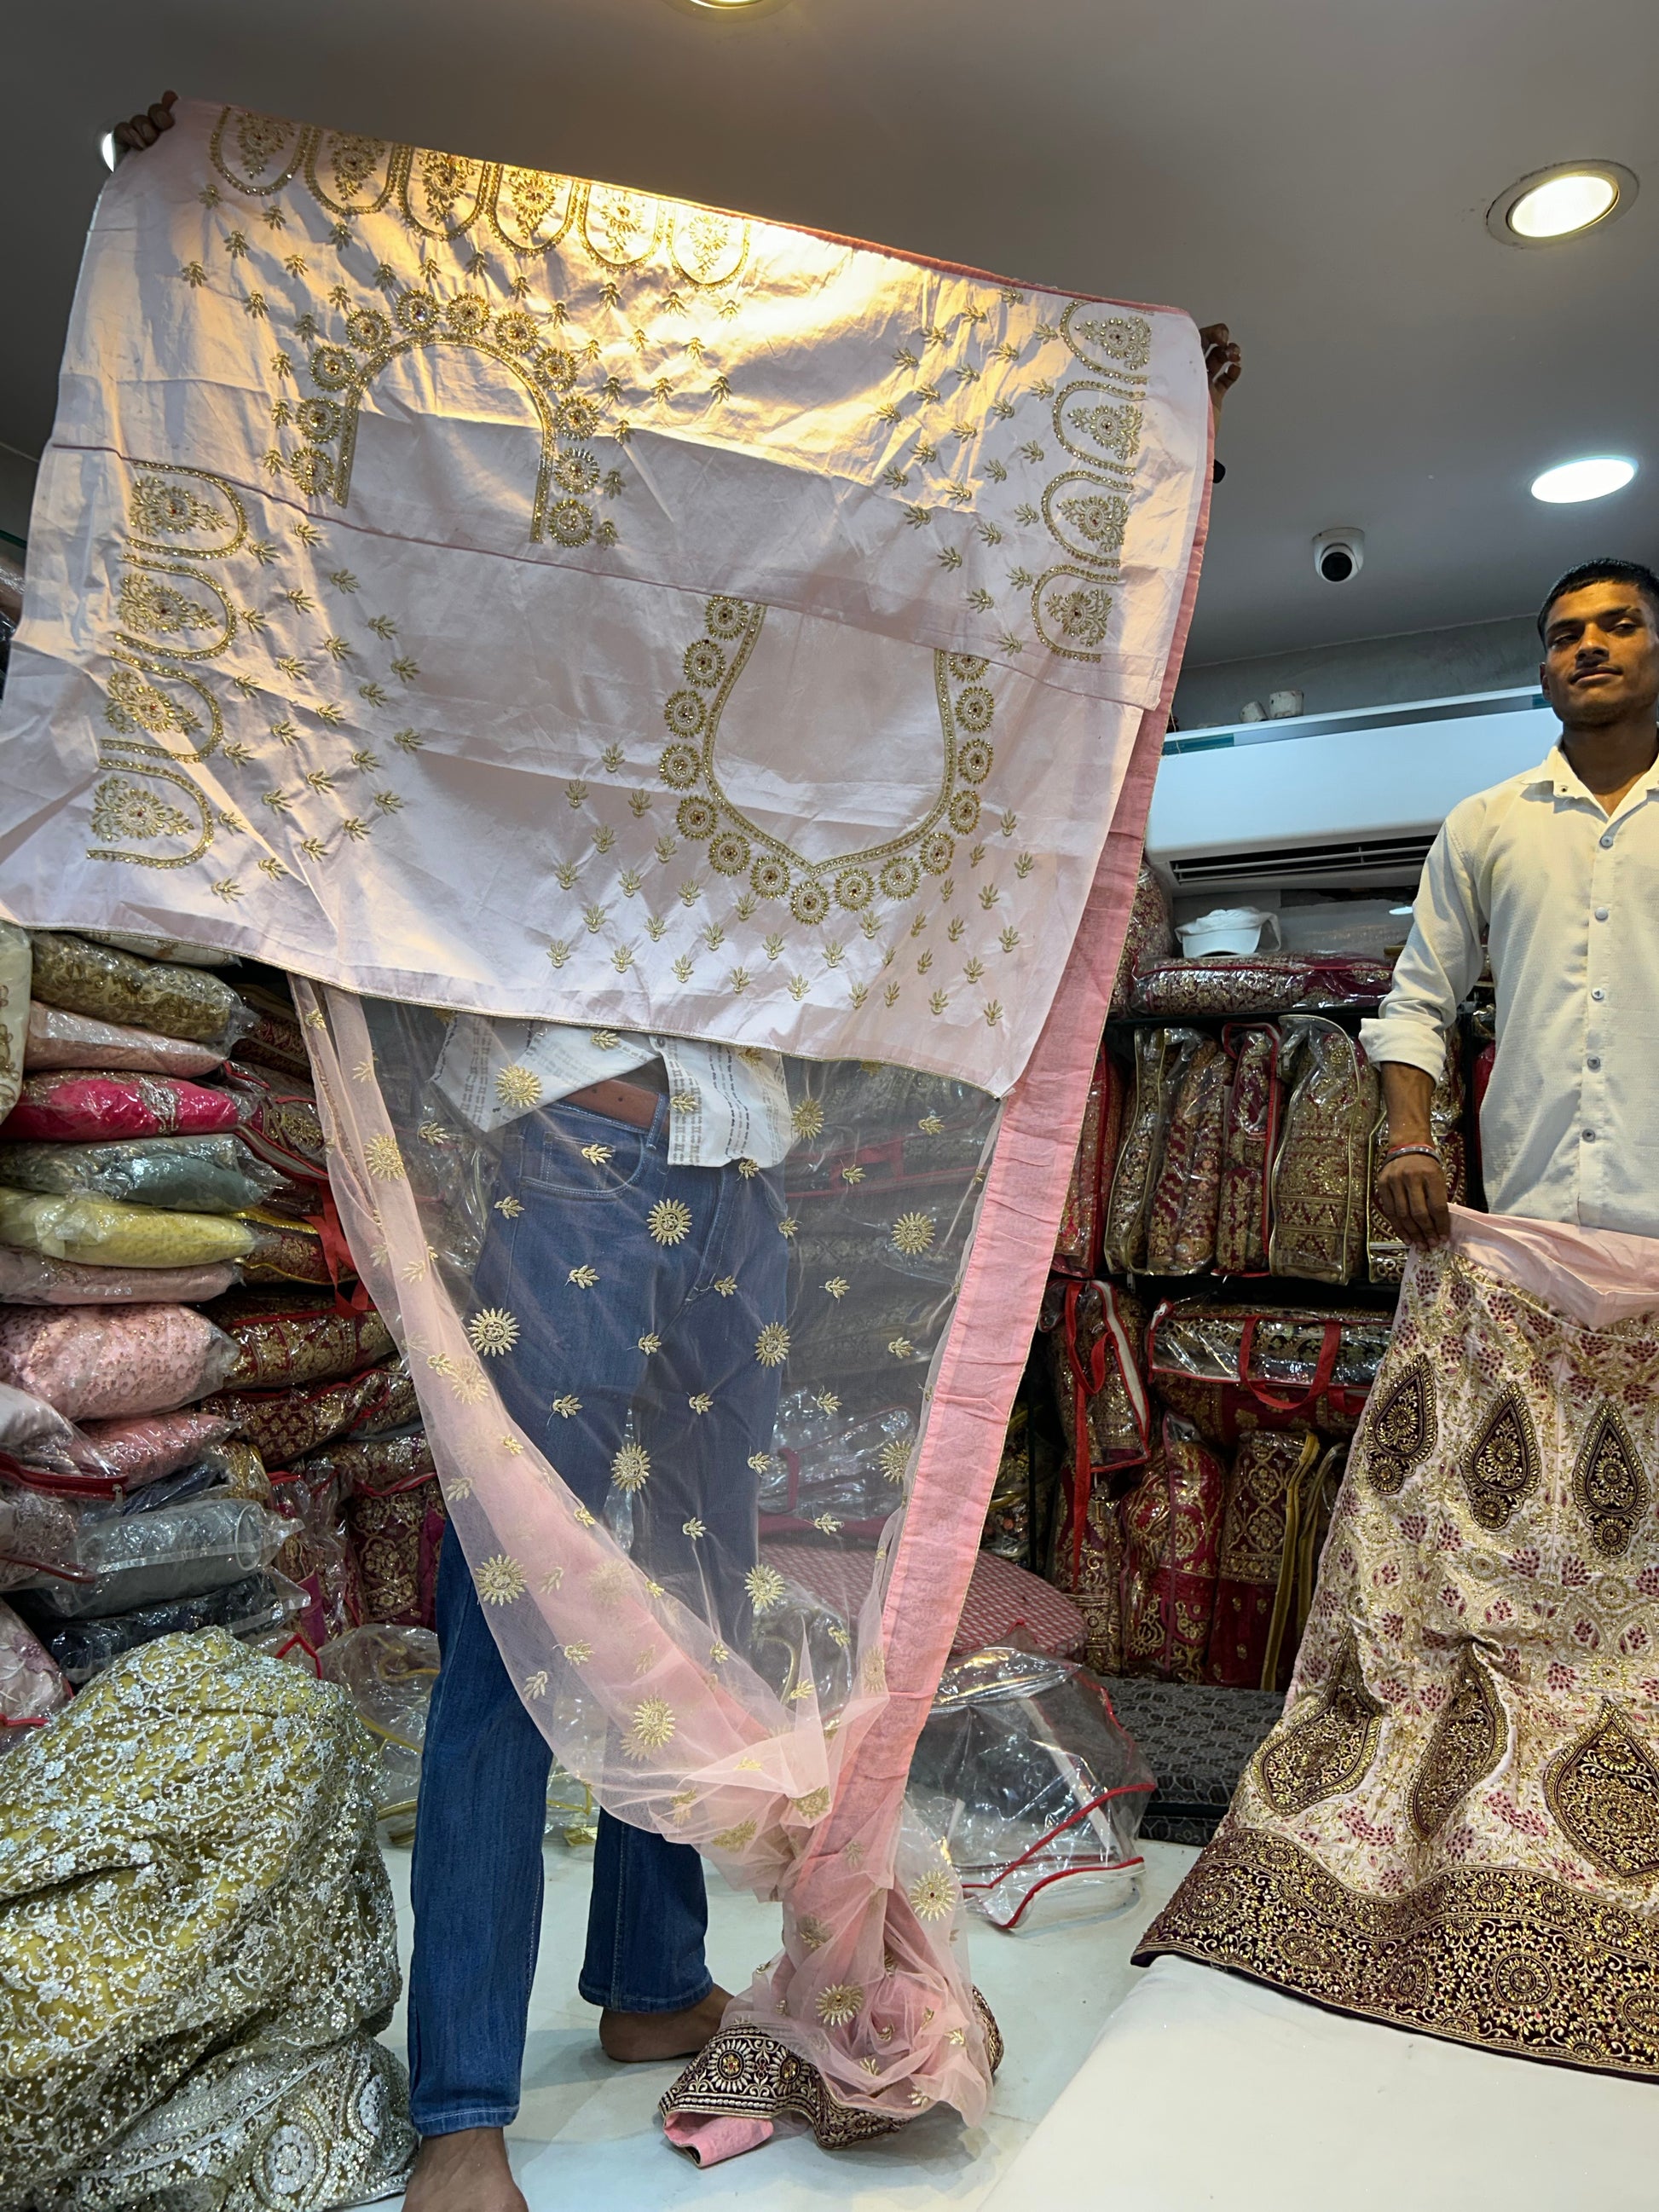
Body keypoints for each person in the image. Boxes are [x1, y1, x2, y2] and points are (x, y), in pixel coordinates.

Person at [103, 93, 1241, 2212]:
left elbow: (949, 593)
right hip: (562, 1146)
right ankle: (461, 2099)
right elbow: (352, 549)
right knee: (519, 1606)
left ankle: (642, 1971)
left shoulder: (756, 625)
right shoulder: (530, 601)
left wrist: (1151, 433)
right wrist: (204, 253)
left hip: (731, 1157)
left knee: (696, 1595)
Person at [1371, 557, 1659, 1245]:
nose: (1590, 646)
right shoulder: (1485, 823)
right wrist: (1408, 1138)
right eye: (1565, 637)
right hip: (1533, 1218)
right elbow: (1417, 998)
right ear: (1545, 676)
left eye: (1620, 626)